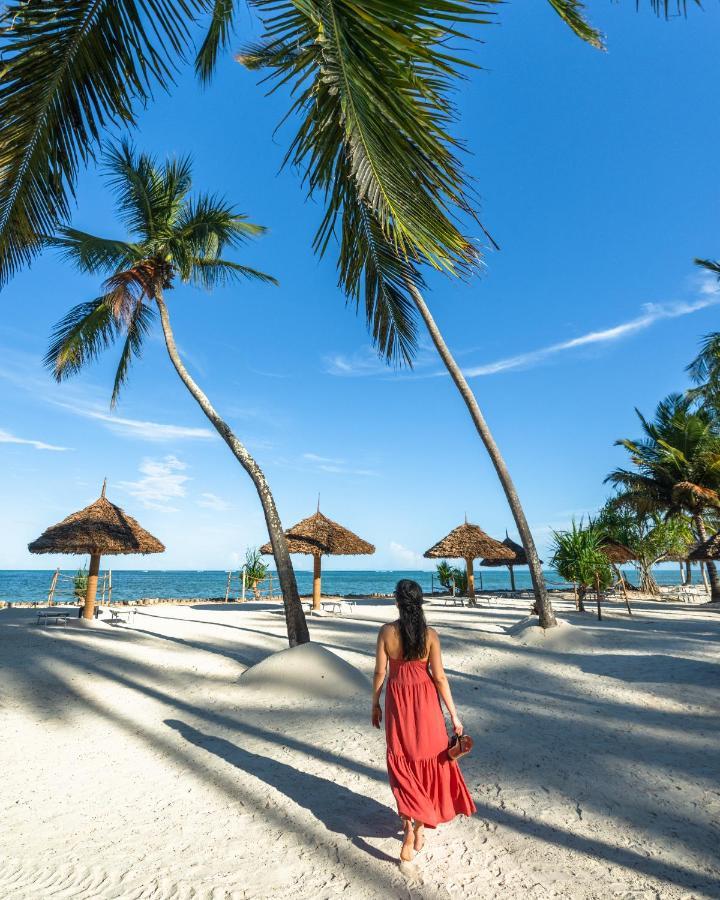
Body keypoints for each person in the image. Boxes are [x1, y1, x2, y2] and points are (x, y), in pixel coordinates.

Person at [371, 578, 476, 863]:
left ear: (396, 601)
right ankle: (418, 828)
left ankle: (408, 826)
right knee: (428, 757)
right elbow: (440, 677)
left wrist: (375, 704)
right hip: (426, 701)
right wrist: (454, 714)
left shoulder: (386, 632)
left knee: (402, 761)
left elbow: (380, 673)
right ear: (419, 603)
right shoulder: (430, 635)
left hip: (398, 701)